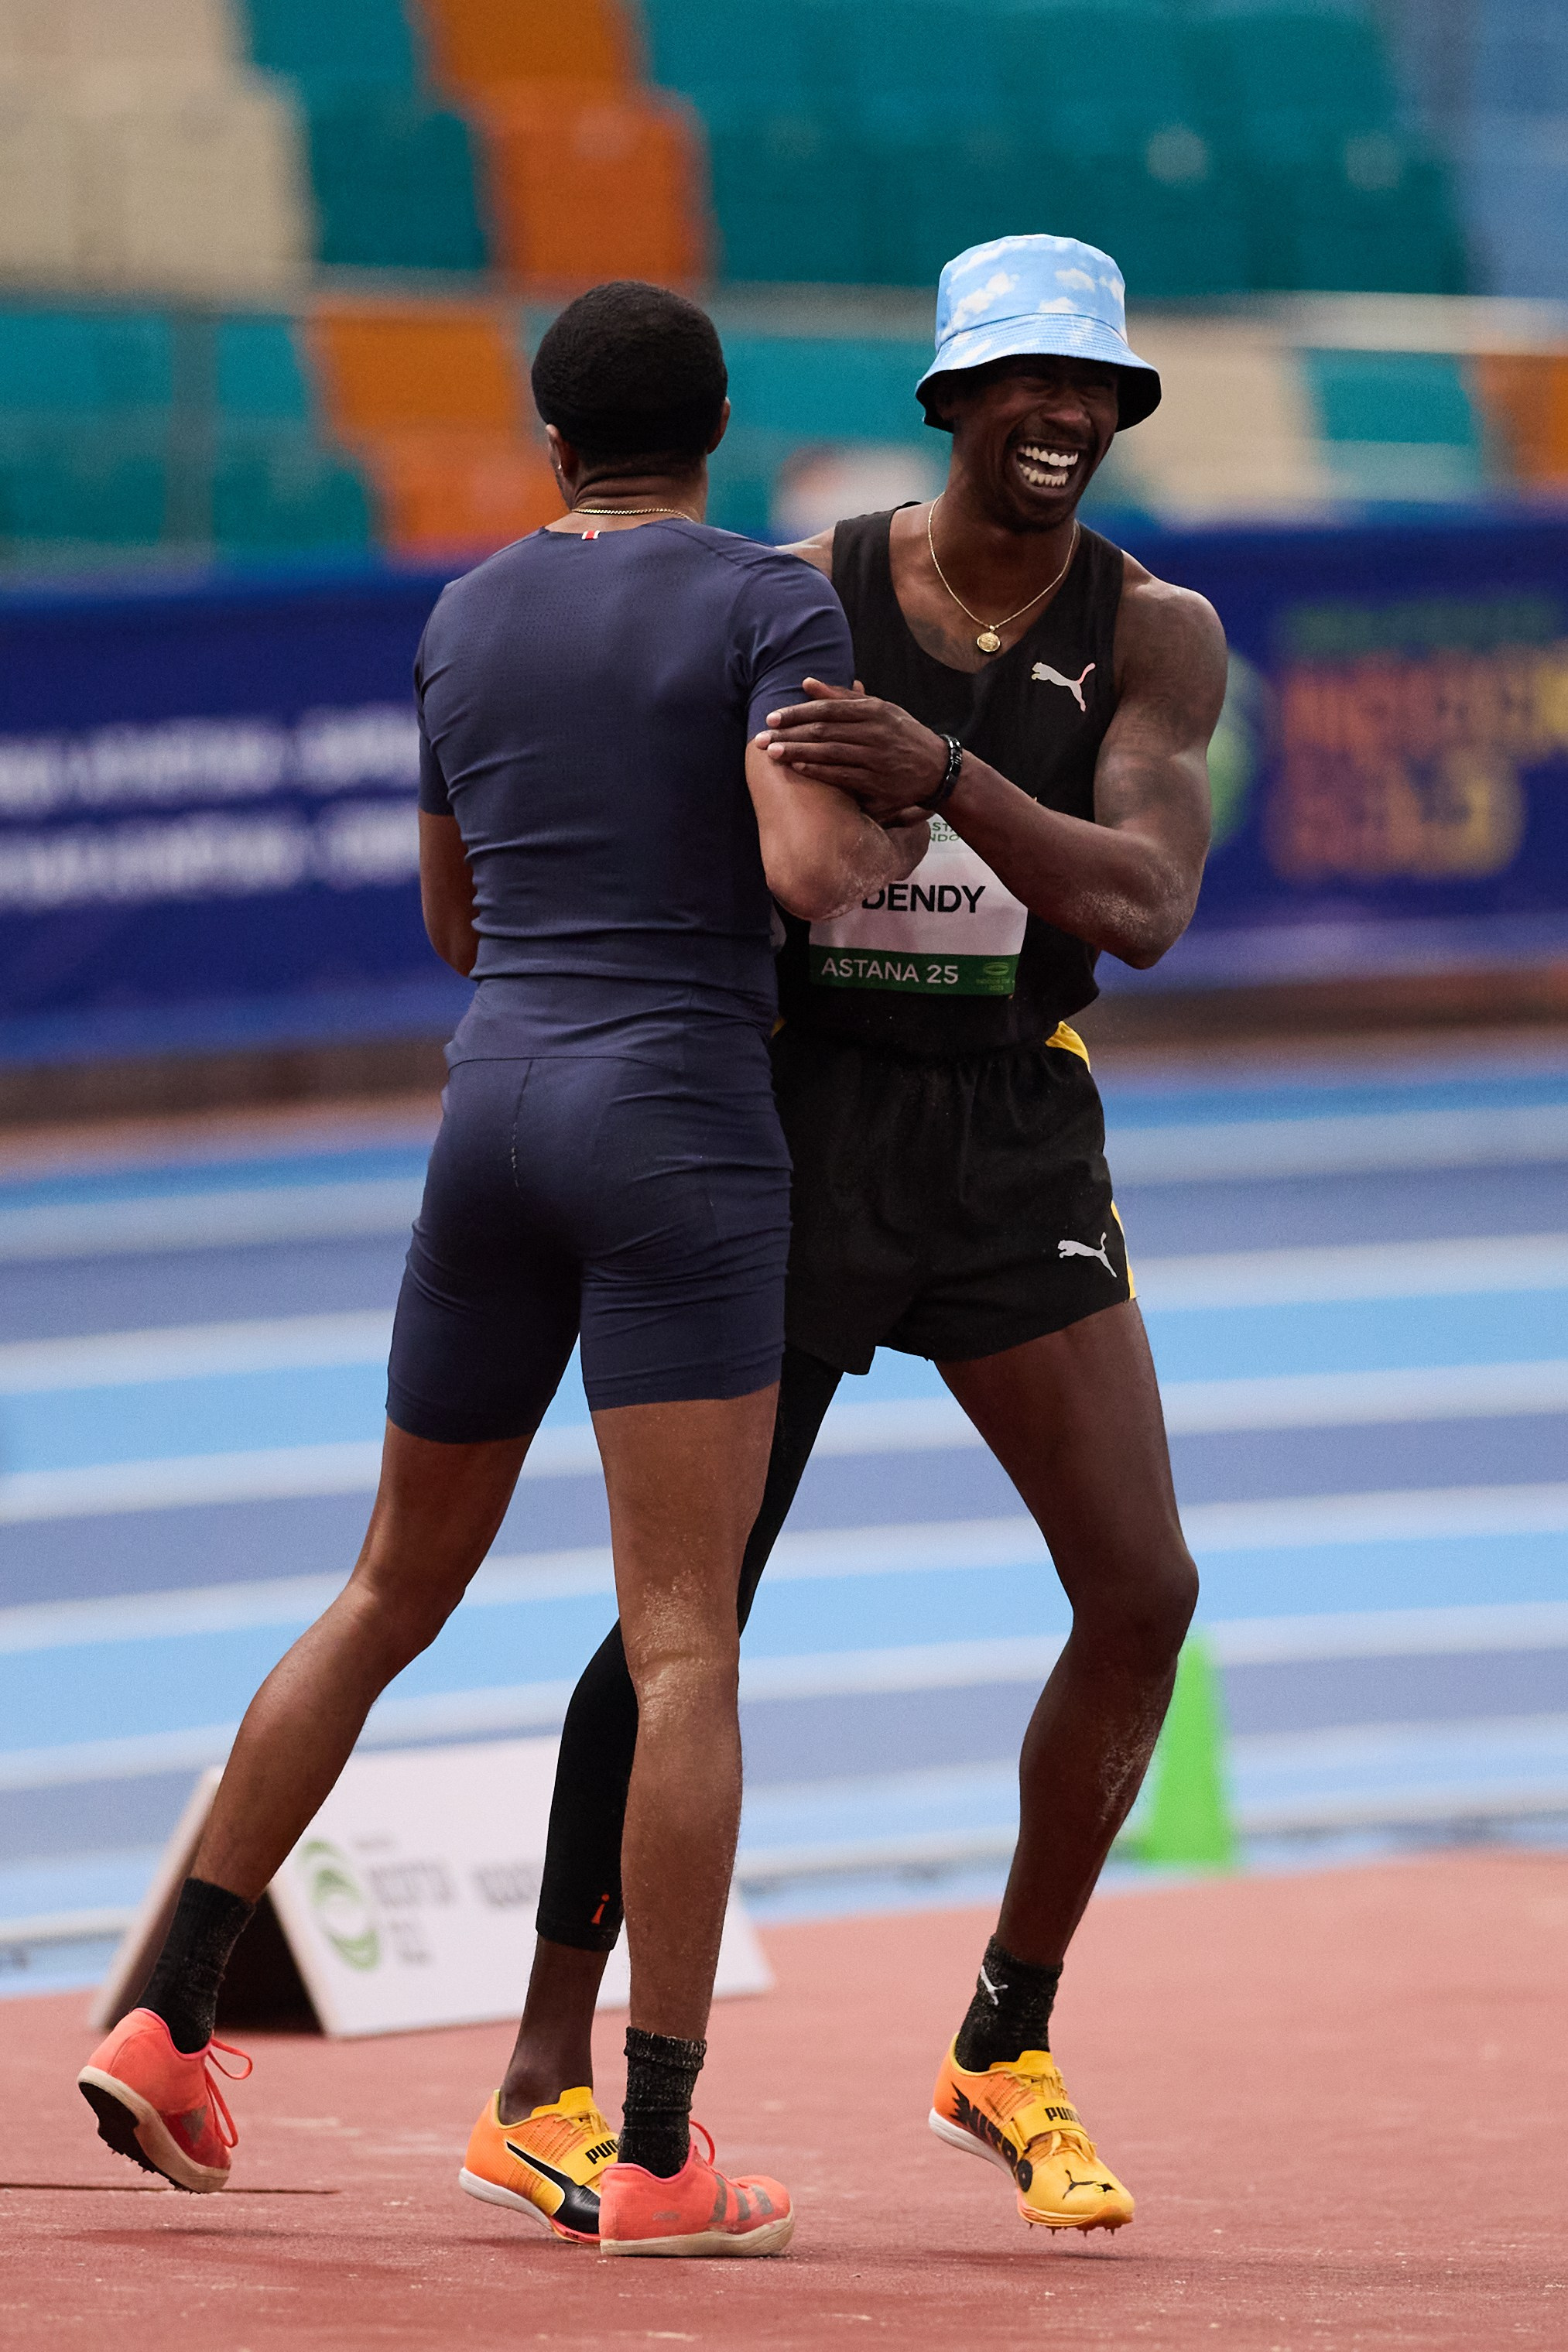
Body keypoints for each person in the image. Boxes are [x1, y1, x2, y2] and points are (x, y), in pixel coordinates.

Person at [74, 281, 921, 2260]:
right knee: (682, 1638)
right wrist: (902, 841)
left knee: (387, 1584)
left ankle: (169, 2008)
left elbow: (456, 920)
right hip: (680, 1123)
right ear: (715, 424)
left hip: (492, 1113)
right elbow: (806, 875)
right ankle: (658, 2150)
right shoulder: (765, 604)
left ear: (548, 439)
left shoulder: (460, 615)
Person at [489, 235, 1228, 2243]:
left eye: (1097, 390)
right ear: (953, 404)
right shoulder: (800, 595)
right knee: (687, 1608)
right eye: (1027, 387)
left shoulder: (1154, 636)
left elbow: (1147, 901)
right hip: (795, 1123)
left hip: (1005, 1133)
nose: (1066, 418)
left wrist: (949, 778)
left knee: (1143, 1587)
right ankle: (547, 2075)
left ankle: (1004, 2036)